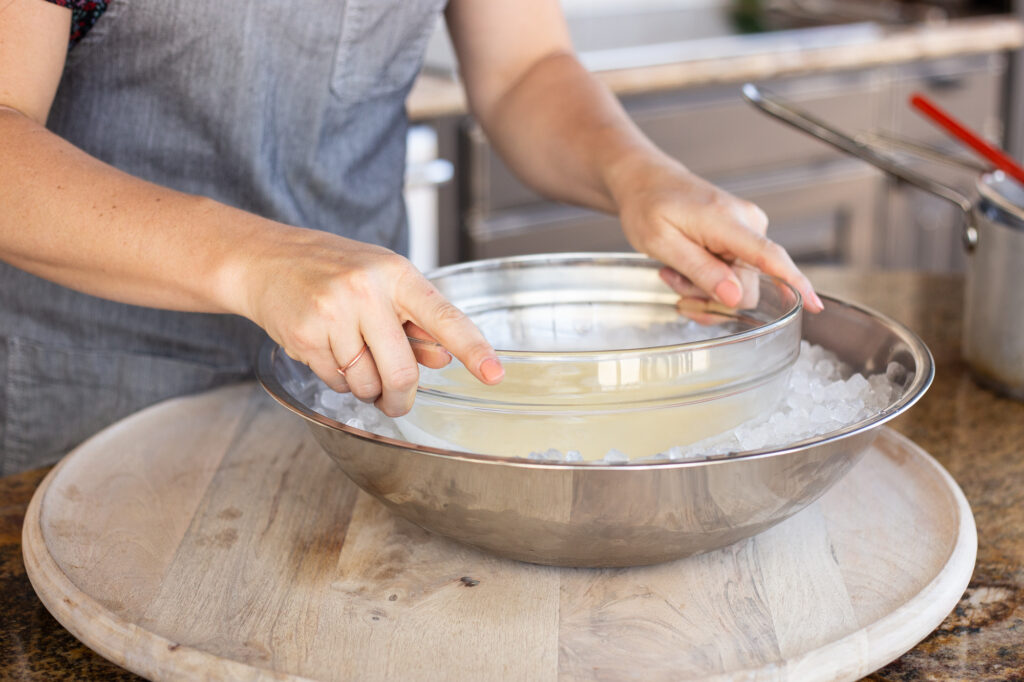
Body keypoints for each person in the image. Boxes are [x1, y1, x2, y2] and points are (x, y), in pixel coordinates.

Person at [0, 0, 823, 475]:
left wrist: (636, 174)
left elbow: (523, 68)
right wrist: (259, 260)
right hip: (88, 394)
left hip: (367, 391)